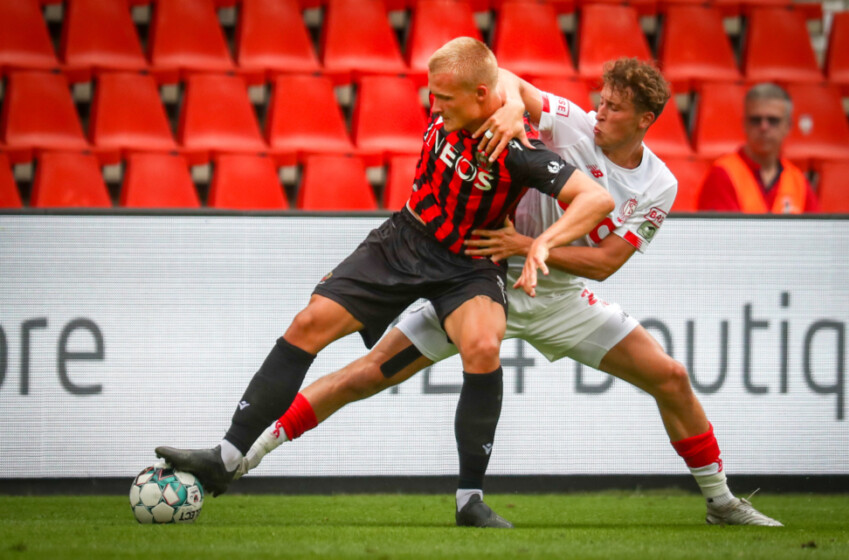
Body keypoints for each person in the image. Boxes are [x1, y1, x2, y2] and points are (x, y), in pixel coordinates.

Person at [235, 59, 783, 528]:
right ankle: (247, 456)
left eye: (614, 108)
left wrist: (528, 243)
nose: (599, 113)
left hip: (559, 299)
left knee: (671, 377)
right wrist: (515, 106)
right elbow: (506, 78)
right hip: (482, 281)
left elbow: (605, 263)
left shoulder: (659, 184)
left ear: (645, 119)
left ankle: (721, 501)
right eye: (601, 100)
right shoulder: (572, 125)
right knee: (363, 376)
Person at [155, 37, 614, 499]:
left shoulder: (517, 147)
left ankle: (470, 499)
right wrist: (509, 100)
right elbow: (499, 77)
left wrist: (542, 244)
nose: (434, 106)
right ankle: (225, 458)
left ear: (479, 94)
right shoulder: (462, 101)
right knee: (309, 322)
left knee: (482, 345)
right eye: (432, 94)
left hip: (469, 262)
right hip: (404, 239)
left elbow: (596, 199)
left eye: (444, 97)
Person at [698, 82, 819, 213]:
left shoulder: (798, 181)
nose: (763, 127)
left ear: (788, 126)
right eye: (756, 120)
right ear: (744, 124)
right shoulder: (722, 174)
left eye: (773, 120)